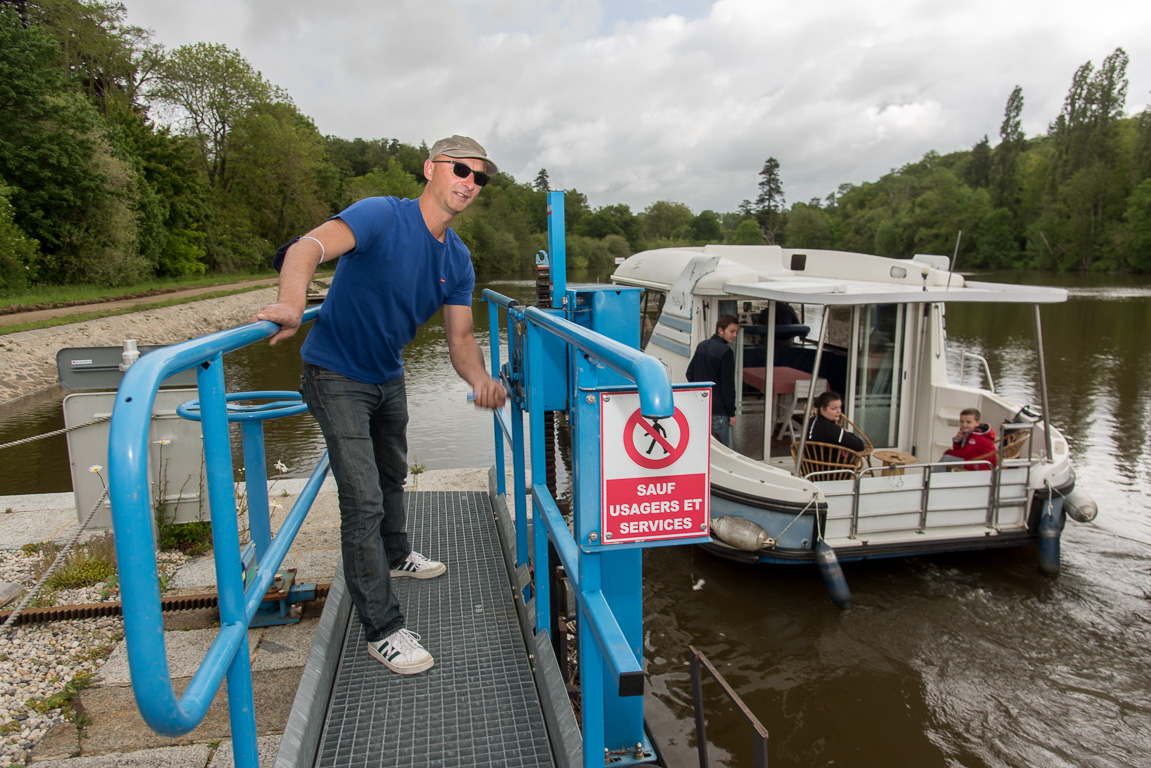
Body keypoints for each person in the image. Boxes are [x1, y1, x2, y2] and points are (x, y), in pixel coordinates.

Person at [253, 135, 506, 675]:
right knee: (363, 499)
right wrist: (293, 304)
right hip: (334, 372)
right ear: (429, 169)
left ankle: (396, 555)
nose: (469, 181)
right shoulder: (380, 216)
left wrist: (482, 378)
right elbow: (306, 249)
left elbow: (460, 341)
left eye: (479, 177)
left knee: (392, 474)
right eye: (460, 169)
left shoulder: (457, 259)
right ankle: (382, 629)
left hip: (388, 375)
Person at [686, 314, 739, 447]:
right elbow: (728, 385)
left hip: (701, 405)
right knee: (722, 450)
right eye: (732, 331)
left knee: (703, 448)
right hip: (719, 411)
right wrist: (731, 413)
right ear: (720, 330)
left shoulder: (702, 345)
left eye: (736, 332)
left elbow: (689, 373)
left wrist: (700, 392)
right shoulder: (726, 352)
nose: (734, 335)